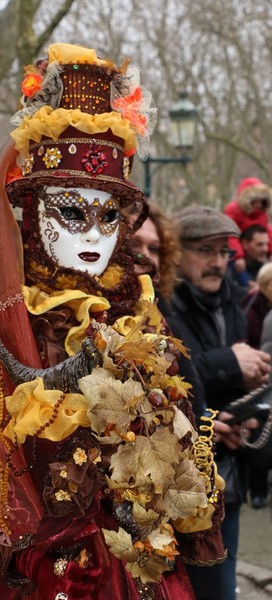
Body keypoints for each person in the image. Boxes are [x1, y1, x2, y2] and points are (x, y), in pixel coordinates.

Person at [0, 44, 225, 600]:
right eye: (72, 212)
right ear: (33, 212)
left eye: (109, 215)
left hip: (131, 557)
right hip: (33, 564)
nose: (94, 236)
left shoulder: (137, 314)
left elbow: (184, 432)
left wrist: (172, 471)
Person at [166, 204, 271, 600]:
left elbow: (222, 390)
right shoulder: (161, 304)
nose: (218, 262)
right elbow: (171, 377)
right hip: (182, 484)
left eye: (224, 252)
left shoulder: (234, 301)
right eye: (205, 251)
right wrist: (230, 363)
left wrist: (250, 408)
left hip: (228, 480)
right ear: (177, 253)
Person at [224, 177, 272, 286]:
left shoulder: (261, 214)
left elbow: (267, 232)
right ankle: (247, 285)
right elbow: (231, 235)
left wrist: (270, 250)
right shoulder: (233, 211)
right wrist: (238, 255)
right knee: (237, 266)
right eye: (256, 201)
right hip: (236, 250)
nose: (259, 204)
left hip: (252, 251)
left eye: (261, 201)